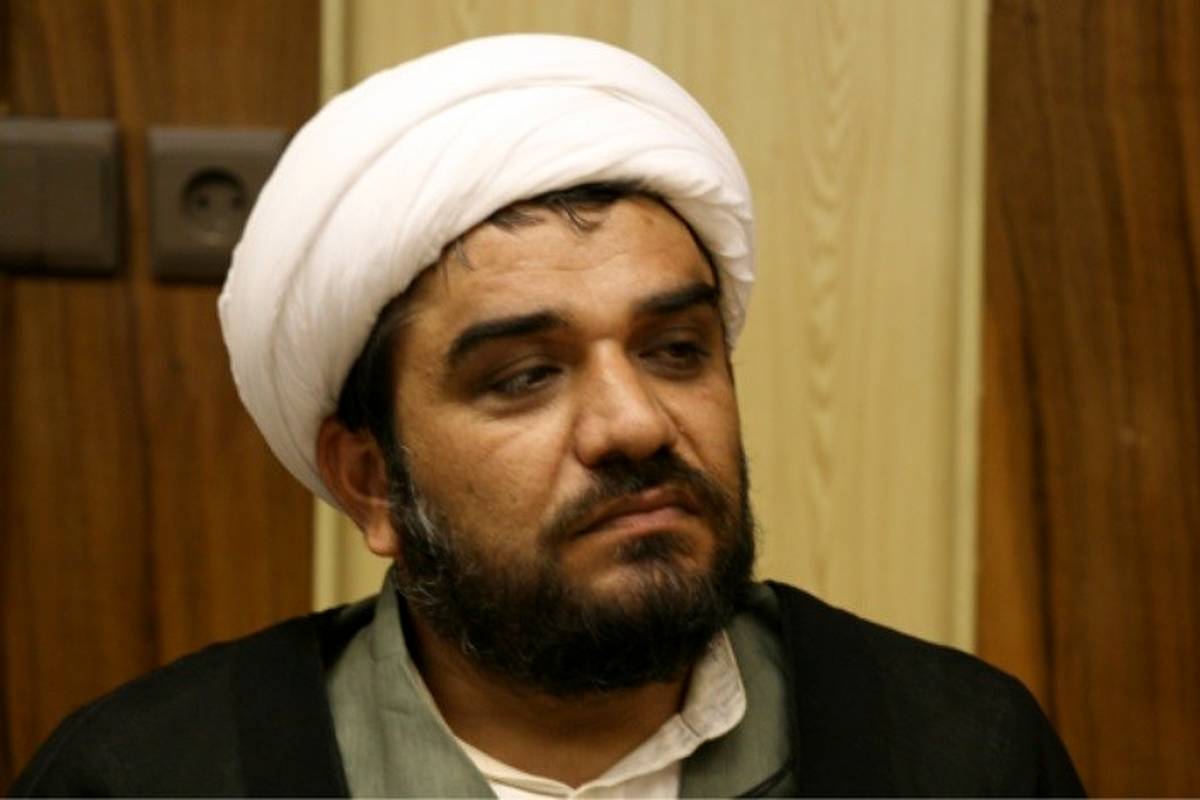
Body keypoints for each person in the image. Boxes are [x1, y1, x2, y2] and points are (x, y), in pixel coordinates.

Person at [11, 34, 1084, 797]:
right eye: (526, 375)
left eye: (675, 351)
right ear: (371, 481)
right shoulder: (151, 777)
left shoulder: (960, 755)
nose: (635, 424)